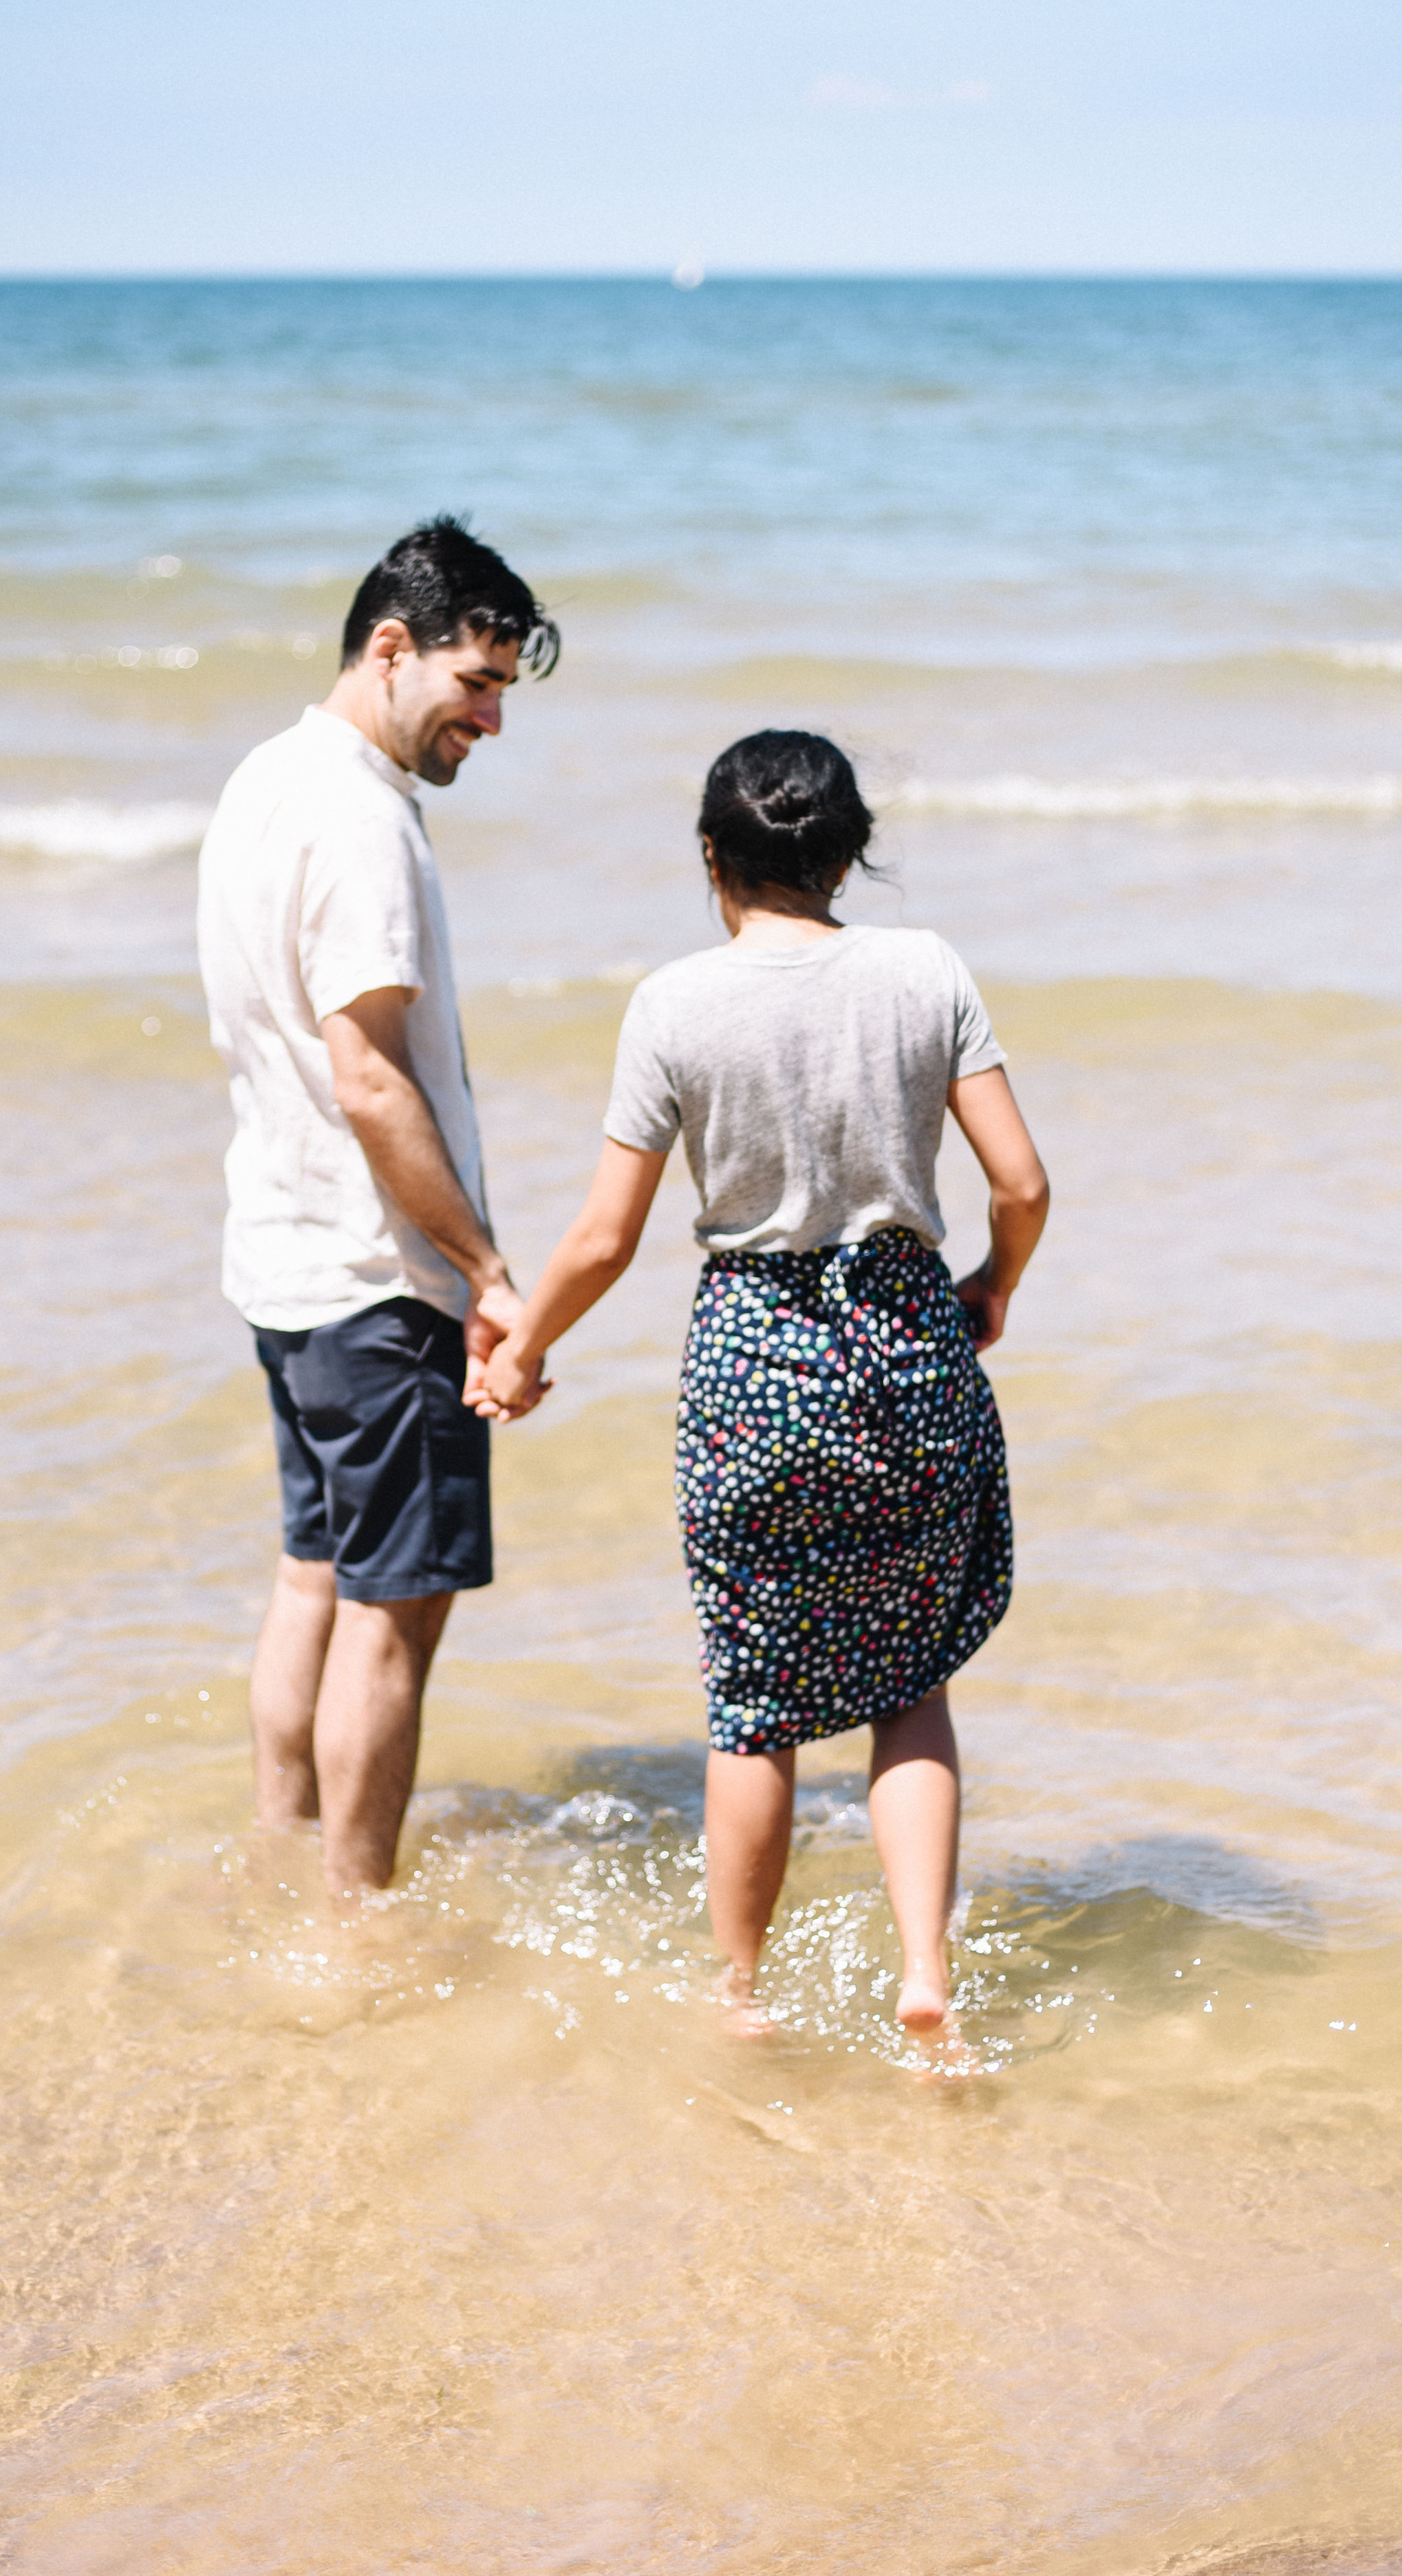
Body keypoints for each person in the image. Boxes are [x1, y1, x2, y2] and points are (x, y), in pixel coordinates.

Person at [473, 730, 1048, 2034]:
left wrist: (520, 1352)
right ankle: (924, 1982)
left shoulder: (674, 1005)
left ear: (712, 862)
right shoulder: (924, 970)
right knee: (910, 1688)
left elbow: (605, 1238)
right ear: (849, 854)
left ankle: (739, 1991)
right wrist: (994, 1285)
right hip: (909, 1347)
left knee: (754, 1701)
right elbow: (1022, 1184)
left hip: (752, 1369)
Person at [197, 517, 557, 1899]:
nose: (490, 721)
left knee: (310, 1582)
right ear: (390, 645)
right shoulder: (359, 819)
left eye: (505, 694)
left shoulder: (261, 778)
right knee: (392, 1624)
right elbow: (368, 1077)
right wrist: (483, 1268)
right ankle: (353, 1911)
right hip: (374, 1281)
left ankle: (280, 1852)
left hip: (282, 1265)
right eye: (477, 685)